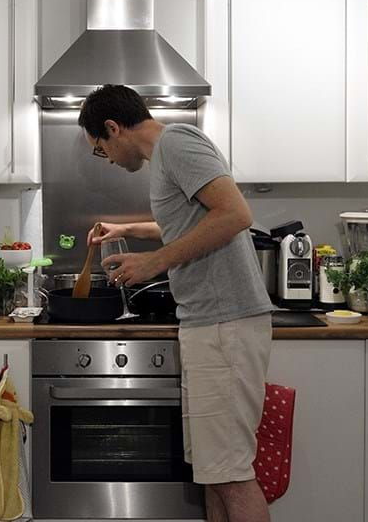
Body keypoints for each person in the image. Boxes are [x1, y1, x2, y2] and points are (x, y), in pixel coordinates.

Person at [79, 84, 274, 522]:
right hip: (209, 323)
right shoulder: (168, 154)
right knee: (213, 470)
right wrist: (125, 229)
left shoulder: (178, 143)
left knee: (230, 474)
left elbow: (236, 215)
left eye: (100, 149)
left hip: (226, 323)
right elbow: (191, 223)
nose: (106, 159)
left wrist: (154, 264)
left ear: (113, 128)